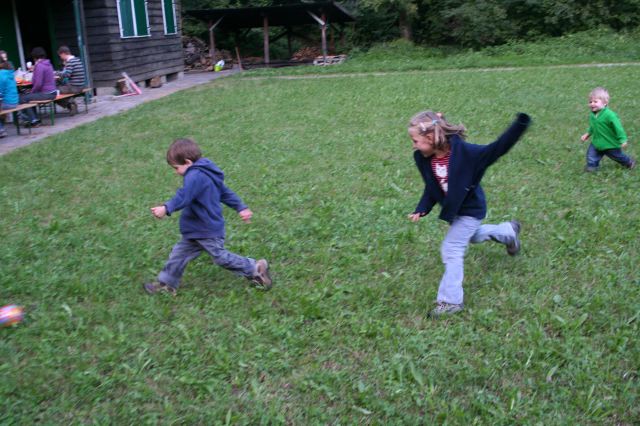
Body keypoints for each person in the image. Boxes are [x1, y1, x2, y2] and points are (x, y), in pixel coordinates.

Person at [407, 111, 531, 317]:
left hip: (471, 210)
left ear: (430, 138)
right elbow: (431, 186)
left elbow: (497, 148)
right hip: (455, 211)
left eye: (415, 141)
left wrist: (519, 125)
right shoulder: (423, 158)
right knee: (472, 236)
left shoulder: (467, 154)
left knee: (452, 248)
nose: (413, 146)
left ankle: (451, 302)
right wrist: (422, 208)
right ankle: (508, 231)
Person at [144, 138, 273, 295]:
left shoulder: (194, 176)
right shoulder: (207, 172)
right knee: (179, 254)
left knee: (220, 257)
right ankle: (167, 284)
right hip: (195, 228)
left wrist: (166, 208)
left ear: (188, 162)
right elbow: (224, 192)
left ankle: (254, 268)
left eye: (176, 168)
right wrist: (241, 207)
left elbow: (184, 195)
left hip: (206, 229)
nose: (176, 172)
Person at [580, 87, 635, 172]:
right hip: (596, 143)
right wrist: (587, 134)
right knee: (591, 155)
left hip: (610, 144)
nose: (592, 104)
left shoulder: (610, 115)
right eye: (590, 102)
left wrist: (623, 139)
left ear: (605, 103)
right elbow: (593, 126)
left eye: (595, 102)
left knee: (618, 156)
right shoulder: (592, 115)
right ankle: (592, 167)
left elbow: (618, 128)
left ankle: (629, 162)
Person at [18, 47, 57, 126]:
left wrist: (32, 92)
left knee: (22, 98)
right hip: (53, 92)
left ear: (34, 56)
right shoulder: (48, 63)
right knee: (29, 97)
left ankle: (33, 120)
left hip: (46, 93)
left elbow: (38, 83)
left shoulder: (39, 66)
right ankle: (33, 118)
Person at [56, 45, 86, 116]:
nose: (60, 58)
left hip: (75, 87)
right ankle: (71, 104)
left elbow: (66, 75)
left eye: (60, 56)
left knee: (54, 92)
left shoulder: (70, 61)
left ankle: (71, 104)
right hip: (80, 86)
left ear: (63, 54)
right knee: (57, 89)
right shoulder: (76, 59)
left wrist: (56, 73)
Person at [0, 59, 19, 138]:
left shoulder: (1, 74)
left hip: (7, 103)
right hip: (14, 101)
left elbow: (0, 93)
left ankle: (1, 130)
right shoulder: (9, 73)